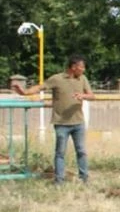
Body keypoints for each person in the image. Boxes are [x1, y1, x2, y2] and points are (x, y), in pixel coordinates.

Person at [12, 54, 95, 184]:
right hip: (61, 123)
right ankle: (59, 181)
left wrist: (83, 95)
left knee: (81, 151)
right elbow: (40, 87)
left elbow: (91, 96)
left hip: (78, 123)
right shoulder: (57, 79)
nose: (83, 69)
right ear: (73, 67)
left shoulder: (83, 79)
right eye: (81, 67)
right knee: (60, 153)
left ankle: (84, 179)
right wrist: (24, 92)